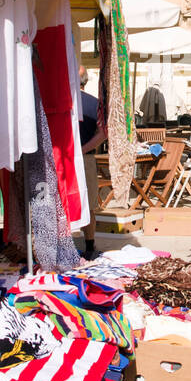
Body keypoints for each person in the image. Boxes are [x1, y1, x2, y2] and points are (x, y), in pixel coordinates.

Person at [77, 64, 104, 260]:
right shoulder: (95, 104)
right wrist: (84, 149)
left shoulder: (62, 102)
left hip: (64, 157)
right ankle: (89, 244)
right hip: (86, 157)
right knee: (89, 203)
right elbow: (103, 133)